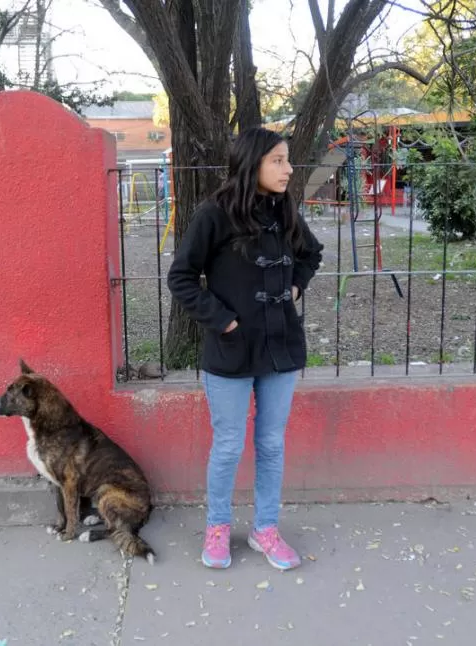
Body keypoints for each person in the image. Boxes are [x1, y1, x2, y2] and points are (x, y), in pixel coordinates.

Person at [167, 127, 324, 571]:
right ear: (252, 162)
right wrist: (224, 320)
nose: (288, 169)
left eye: (287, 160)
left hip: (280, 348)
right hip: (231, 350)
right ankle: (218, 527)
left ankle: (266, 529)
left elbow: (311, 254)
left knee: (271, 443)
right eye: (278, 160)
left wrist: (295, 286)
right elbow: (181, 277)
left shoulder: (285, 210)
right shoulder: (213, 214)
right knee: (230, 444)